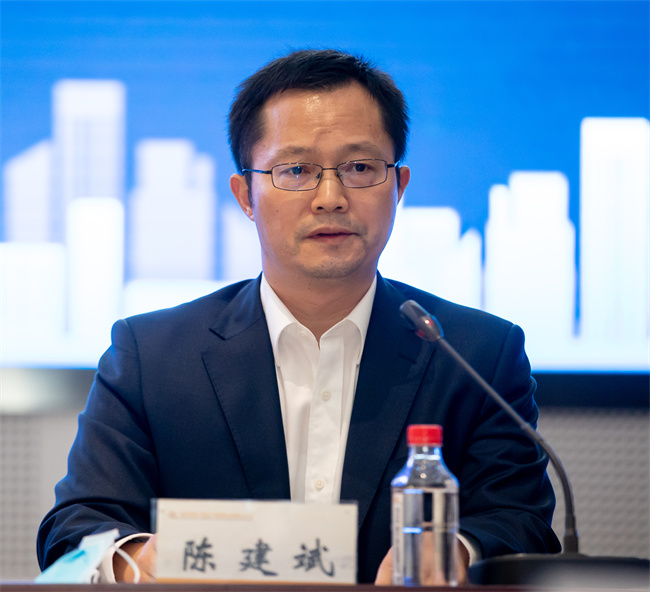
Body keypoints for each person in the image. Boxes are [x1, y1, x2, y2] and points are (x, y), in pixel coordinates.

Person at [37, 49, 561, 584]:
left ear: (399, 187)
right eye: (296, 170)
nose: (330, 197)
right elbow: (76, 527)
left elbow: (520, 521)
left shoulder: (476, 353)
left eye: (360, 168)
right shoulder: (152, 355)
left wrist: (458, 554)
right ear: (245, 195)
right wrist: (136, 559)